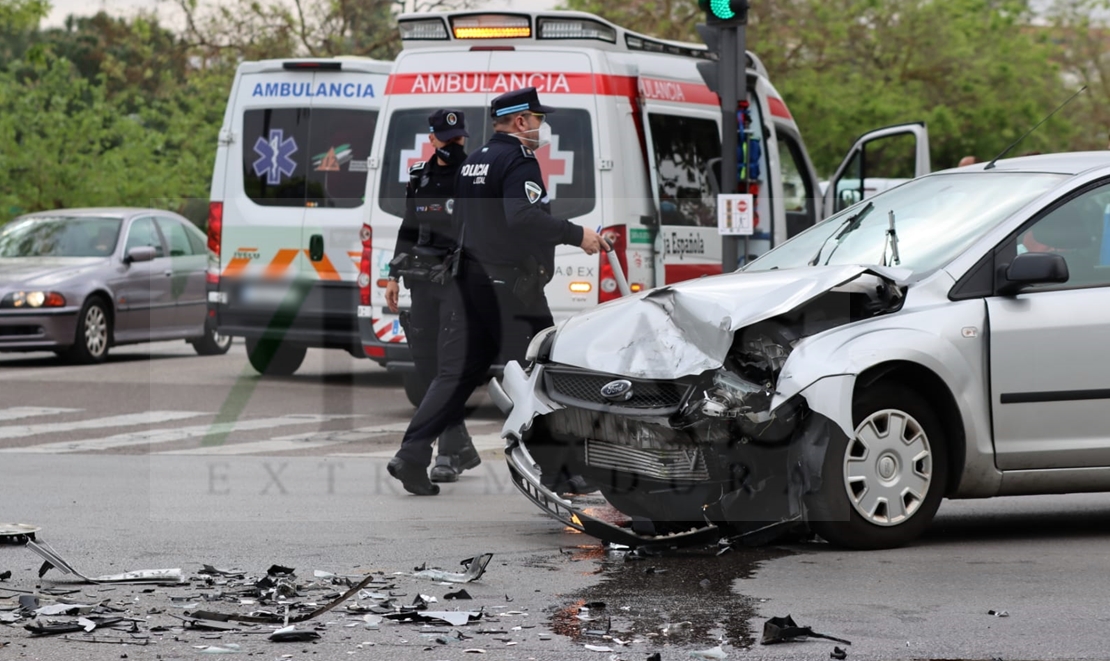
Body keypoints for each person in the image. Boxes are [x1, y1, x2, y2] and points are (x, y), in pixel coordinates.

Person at [387, 87, 607, 495]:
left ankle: (411, 454)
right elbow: (522, 216)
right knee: (541, 374)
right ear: (521, 121)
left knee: (454, 376)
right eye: (538, 119)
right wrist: (579, 235)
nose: (542, 127)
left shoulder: (473, 163)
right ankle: (560, 471)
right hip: (510, 291)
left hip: (467, 284)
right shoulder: (518, 160)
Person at [385, 108, 479, 484]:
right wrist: (392, 276)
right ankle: (461, 447)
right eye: (447, 138)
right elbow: (408, 229)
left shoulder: (474, 177)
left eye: (459, 138)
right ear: (433, 139)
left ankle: (443, 456)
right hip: (421, 282)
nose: (455, 144)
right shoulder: (419, 176)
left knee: (448, 370)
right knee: (427, 369)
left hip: (458, 283)